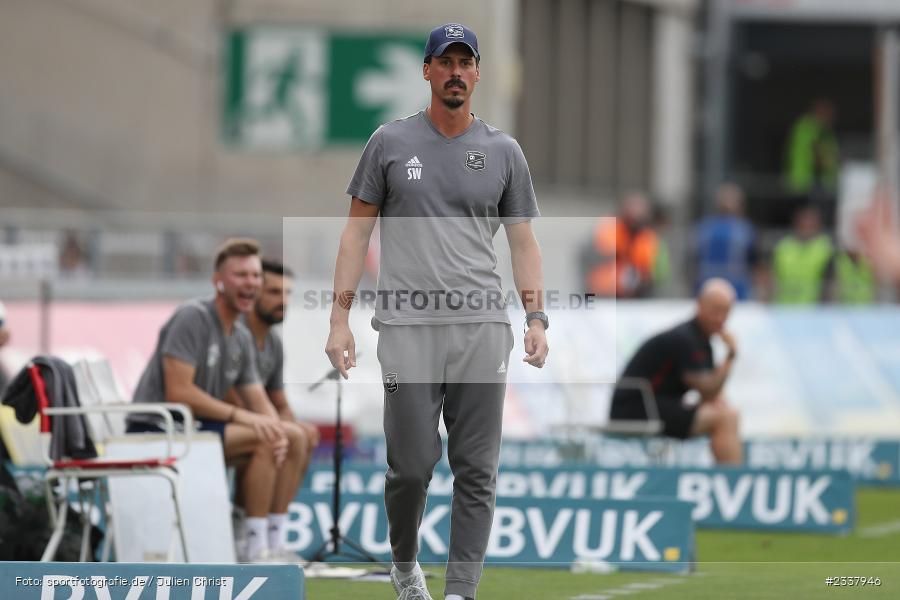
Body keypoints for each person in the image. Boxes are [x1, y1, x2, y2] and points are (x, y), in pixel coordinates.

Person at [325, 22, 548, 600]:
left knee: (476, 470)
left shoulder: (504, 151)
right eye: (443, 62)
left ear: (476, 73)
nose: (454, 72)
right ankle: (404, 565)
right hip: (407, 327)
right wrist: (338, 320)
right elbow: (355, 236)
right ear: (426, 71)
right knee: (412, 468)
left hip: (481, 328)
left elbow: (523, 242)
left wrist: (536, 318)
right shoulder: (390, 143)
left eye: (464, 62)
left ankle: (461, 591)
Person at [125, 238, 307, 562]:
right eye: (240, 275)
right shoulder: (192, 317)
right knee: (265, 437)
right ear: (218, 281)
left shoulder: (240, 334)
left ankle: (270, 541)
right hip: (156, 430)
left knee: (289, 435)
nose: (250, 282)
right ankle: (252, 547)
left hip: (196, 431)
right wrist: (248, 419)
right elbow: (178, 392)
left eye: (254, 276)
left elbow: (258, 397)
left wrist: (274, 426)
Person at [226, 259, 320, 544]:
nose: (283, 300)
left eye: (287, 293)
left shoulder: (274, 342)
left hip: (253, 422)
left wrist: (292, 427)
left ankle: (273, 536)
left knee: (303, 434)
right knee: (280, 435)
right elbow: (230, 395)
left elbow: (279, 401)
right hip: (224, 423)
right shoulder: (234, 333)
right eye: (273, 292)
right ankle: (250, 538)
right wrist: (281, 428)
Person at [609, 278, 742, 465]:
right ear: (700, 305)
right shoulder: (685, 338)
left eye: (725, 312)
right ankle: (731, 480)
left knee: (727, 413)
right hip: (635, 408)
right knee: (725, 417)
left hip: (658, 405)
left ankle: (729, 475)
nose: (720, 318)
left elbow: (713, 396)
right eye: (715, 310)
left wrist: (720, 403)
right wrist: (731, 356)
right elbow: (708, 390)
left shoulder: (702, 342)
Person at [692, 183, 761, 300]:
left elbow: (754, 261)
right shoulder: (705, 228)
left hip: (737, 291)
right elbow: (694, 261)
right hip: (709, 291)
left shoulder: (745, 230)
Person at [585, 191, 660, 298]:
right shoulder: (610, 228)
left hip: (634, 294)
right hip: (605, 292)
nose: (637, 214)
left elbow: (648, 268)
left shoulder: (647, 237)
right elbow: (601, 255)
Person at [771, 205, 834, 304]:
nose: (806, 227)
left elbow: (830, 282)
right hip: (784, 307)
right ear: (796, 224)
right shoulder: (783, 247)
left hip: (814, 309)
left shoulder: (825, 248)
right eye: (803, 223)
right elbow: (773, 277)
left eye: (810, 224)